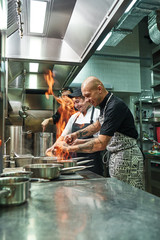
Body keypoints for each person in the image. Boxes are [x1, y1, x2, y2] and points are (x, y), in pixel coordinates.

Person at [54, 76, 145, 190]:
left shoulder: (114, 106)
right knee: (119, 193)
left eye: (88, 95)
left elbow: (101, 143)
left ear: (99, 89)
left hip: (128, 157)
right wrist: (76, 135)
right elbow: (97, 125)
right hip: (117, 156)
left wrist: (70, 148)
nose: (86, 99)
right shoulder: (104, 105)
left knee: (130, 194)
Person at [46, 87, 104, 176]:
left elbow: (101, 140)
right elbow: (63, 135)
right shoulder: (74, 117)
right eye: (74, 103)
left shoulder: (98, 114)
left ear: (87, 99)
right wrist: (54, 146)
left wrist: (78, 142)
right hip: (75, 162)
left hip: (92, 162)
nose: (76, 105)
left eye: (78, 101)